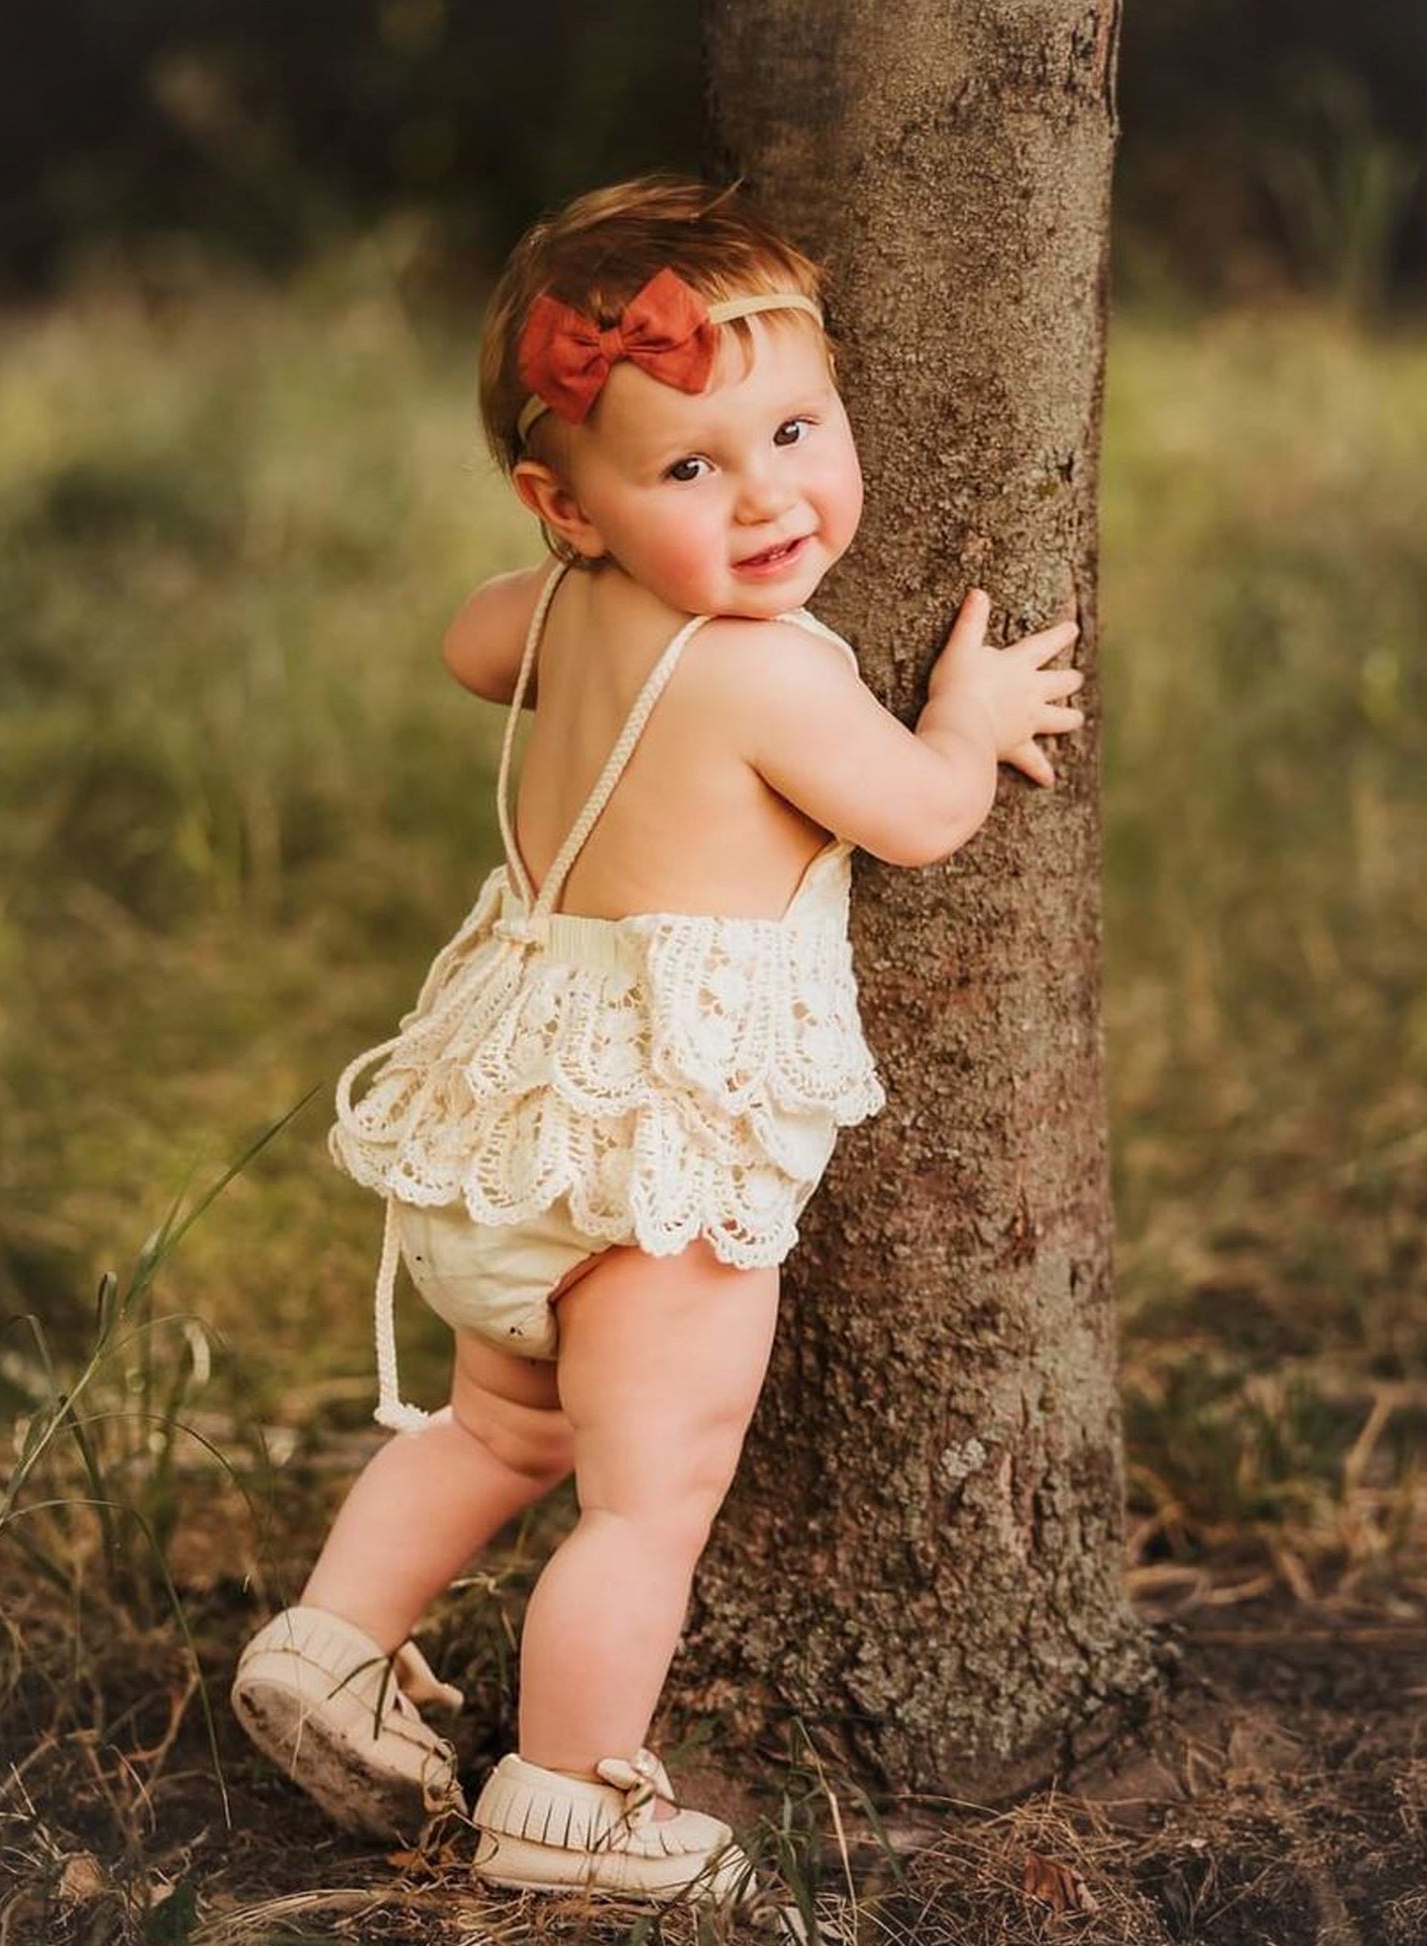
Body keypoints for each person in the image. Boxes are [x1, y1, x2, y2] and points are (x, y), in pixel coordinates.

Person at [230, 176, 1084, 1908]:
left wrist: (594, 556)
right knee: (643, 1499)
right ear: (570, 497)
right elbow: (920, 815)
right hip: (661, 1154)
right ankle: (567, 1797)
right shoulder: (773, 675)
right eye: (690, 468)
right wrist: (965, 712)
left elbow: (471, 641)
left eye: (791, 428)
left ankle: (328, 1643)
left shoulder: (554, 611)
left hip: (511, 1120)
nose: (769, 496)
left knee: (498, 1433)